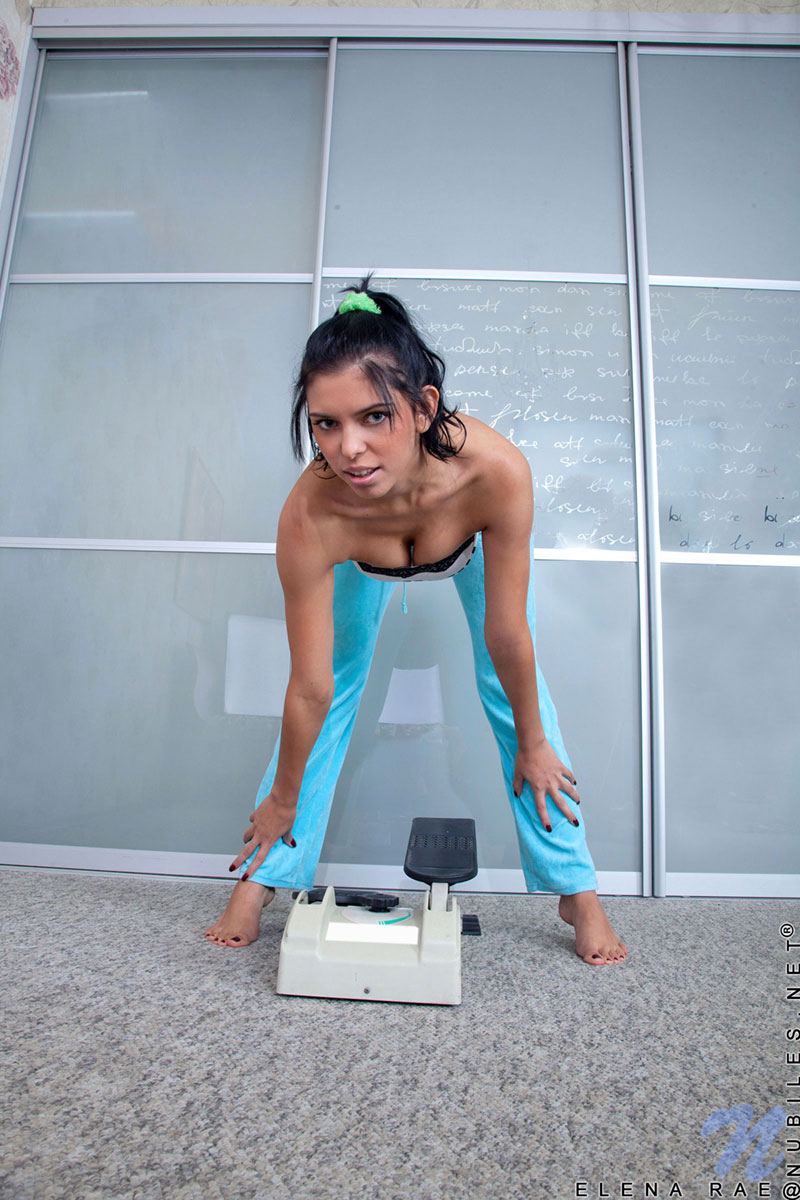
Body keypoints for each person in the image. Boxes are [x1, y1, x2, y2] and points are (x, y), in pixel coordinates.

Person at [205, 279, 627, 965]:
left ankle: (576, 890)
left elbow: (507, 637)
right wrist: (283, 797)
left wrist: (532, 742)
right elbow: (311, 688)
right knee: (334, 690)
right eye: (326, 424)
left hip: (459, 540)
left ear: (424, 407)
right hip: (361, 557)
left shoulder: (494, 473)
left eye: (374, 417)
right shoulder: (313, 514)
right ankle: (262, 879)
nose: (349, 449)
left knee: (516, 689)